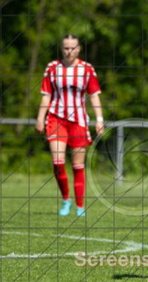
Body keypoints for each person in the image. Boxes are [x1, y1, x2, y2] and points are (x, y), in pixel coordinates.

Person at [35, 34, 105, 217]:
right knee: (58, 162)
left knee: (77, 165)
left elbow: (94, 95)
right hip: (56, 118)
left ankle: (80, 206)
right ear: (62, 49)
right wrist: (40, 118)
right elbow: (46, 95)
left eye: (73, 48)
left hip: (79, 121)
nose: (69, 51)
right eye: (66, 48)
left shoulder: (87, 69)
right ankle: (66, 199)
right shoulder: (52, 67)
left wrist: (99, 119)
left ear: (78, 49)